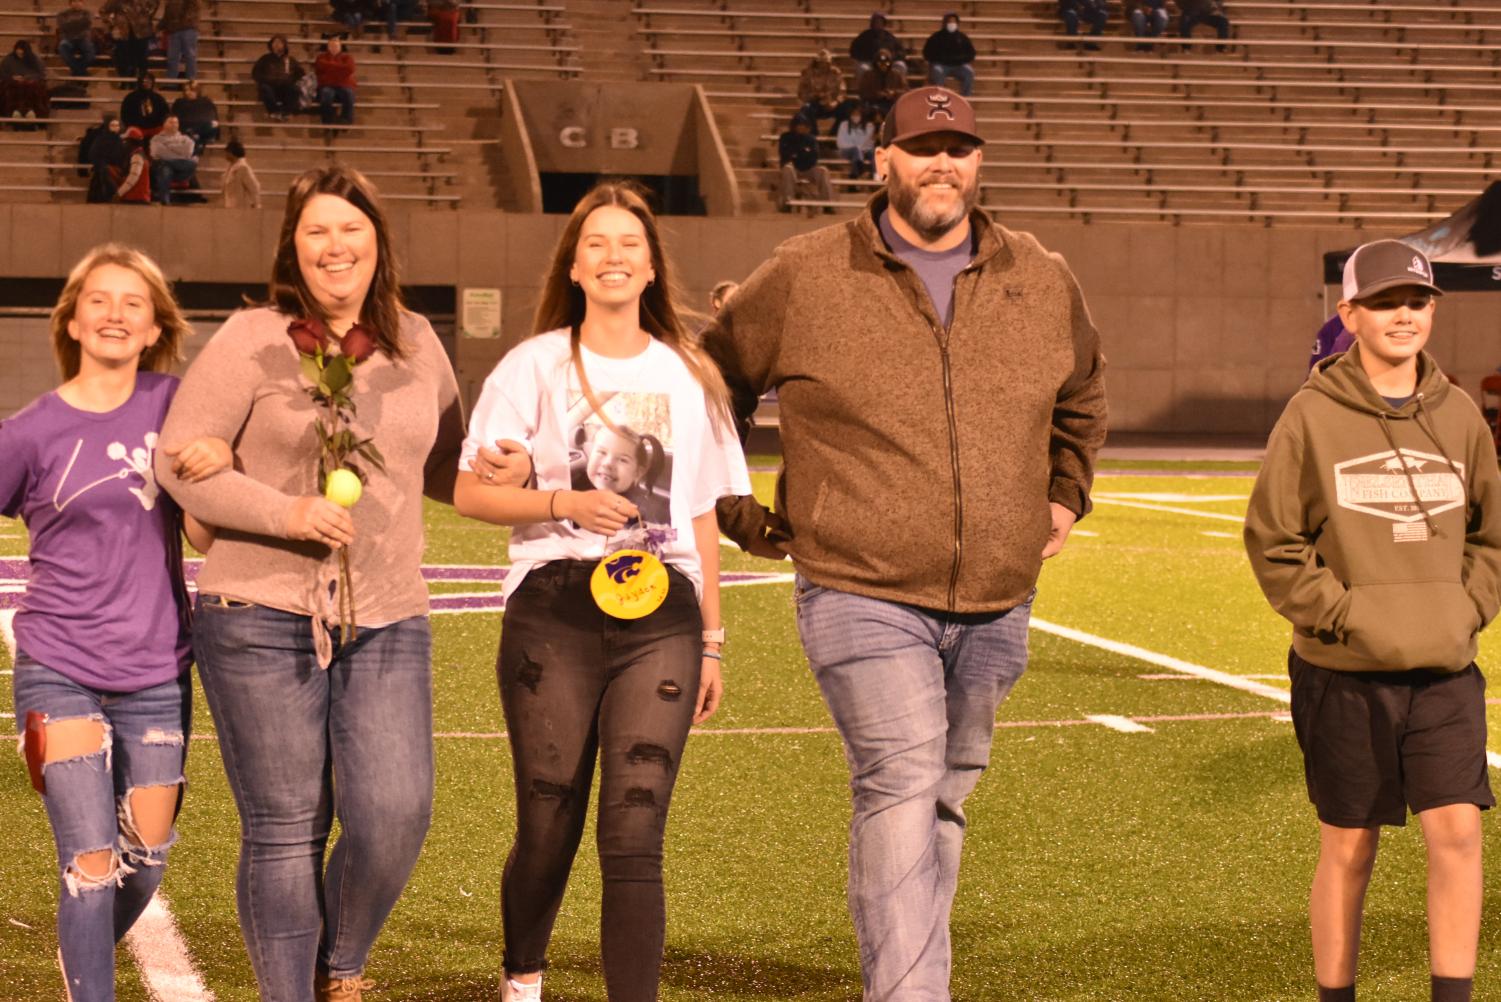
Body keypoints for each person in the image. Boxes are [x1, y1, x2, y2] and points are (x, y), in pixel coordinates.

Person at [703, 86, 1107, 1002]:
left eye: (959, 148)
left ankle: (910, 975)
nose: (942, 164)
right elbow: (708, 382)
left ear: (977, 163)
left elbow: (1084, 392)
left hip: (999, 595)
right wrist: (732, 506)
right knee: (902, 778)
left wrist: (1066, 494)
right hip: (860, 587)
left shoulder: (1038, 274)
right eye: (923, 147)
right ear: (880, 159)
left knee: (944, 796)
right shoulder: (807, 271)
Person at [153, 165, 524, 1002]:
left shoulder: (417, 341)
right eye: (317, 230)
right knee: (286, 828)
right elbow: (178, 464)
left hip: (387, 613)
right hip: (257, 609)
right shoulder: (253, 335)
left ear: (377, 242)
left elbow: (444, 466)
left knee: (395, 816)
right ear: (293, 244)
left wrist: (509, 465)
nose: (335, 246)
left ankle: (340, 964)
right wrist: (285, 513)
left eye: (350, 229)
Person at [454, 179, 750, 1002]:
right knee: (548, 819)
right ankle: (523, 981)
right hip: (553, 608)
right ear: (574, 268)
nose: (613, 257)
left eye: (628, 244)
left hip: (664, 614)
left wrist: (714, 640)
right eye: (596, 244)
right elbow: (474, 491)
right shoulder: (533, 364)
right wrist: (558, 500)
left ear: (652, 267)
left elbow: (697, 515)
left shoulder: (690, 374)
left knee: (634, 831)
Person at [1244, 239, 1501, 1002]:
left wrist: (1466, 608)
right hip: (1344, 673)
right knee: (1349, 847)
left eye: (1416, 301)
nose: (1403, 315)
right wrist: (1346, 616)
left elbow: (1490, 534)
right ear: (1348, 313)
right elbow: (1273, 542)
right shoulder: (1311, 415)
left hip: (1443, 669)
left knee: (1456, 835)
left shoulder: (1459, 416)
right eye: (1384, 302)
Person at [5, 244, 231, 1002]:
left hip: (158, 672)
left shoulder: (177, 406)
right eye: (97, 300)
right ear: (70, 320)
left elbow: (203, 533)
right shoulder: (26, 433)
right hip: (57, 664)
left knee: (149, 855)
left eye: (132, 303)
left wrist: (215, 464)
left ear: (154, 326)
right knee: (90, 859)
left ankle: (83, 949)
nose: (113, 313)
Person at [777, 114, 833, 211]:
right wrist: (803, 152)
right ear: (793, 125)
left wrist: (797, 154)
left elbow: (814, 157)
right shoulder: (785, 137)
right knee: (787, 169)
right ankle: (788, 203)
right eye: (799, 124)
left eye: (803, 125)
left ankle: (827, 204)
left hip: (808, 168)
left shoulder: (811, 139)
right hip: (793, 168)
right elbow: (785, 154)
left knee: (823, 171)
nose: (801, 127)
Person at [796, 48, 853, 136]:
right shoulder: (808, 73)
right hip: (815, 104)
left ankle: (833, 135)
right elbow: (802, 92)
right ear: (817, 62)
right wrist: (814, 96)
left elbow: (842, 91)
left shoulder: (835, 72)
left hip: (831, 103)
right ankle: (814, 136)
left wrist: (836, 102)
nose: (824, 65)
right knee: (806, 109)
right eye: (821, 63)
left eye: (826, 63)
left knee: (848, 108)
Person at [100, 0, 156, 83]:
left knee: (142, 59)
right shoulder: (115, 2)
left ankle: (142, 81)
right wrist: (111, 22)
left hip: (142, 33)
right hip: (123, 34)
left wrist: (147, 17)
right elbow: (103, 11)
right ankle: (125, 80)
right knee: (123, 59)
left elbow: (155, 4)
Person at [252, 34, 305, 120]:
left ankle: (286, 112)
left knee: (295, 89)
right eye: (274, 42)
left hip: (285, 89)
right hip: (270, 88)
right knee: (264, 88)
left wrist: (290, 80)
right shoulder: (265, 59)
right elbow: (256, 73)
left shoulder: (290, 60)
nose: (277, 45)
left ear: (284, 45)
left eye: (279, 42)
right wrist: (267, 80)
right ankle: (274, 111)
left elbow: (300, 74)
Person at [922, 12, 976, 97]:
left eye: (953, 22)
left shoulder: (962, 38)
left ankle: (966, 97)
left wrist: (960, 59)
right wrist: (940, 59)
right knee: (936, 71)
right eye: (949, 22)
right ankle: (940, 96)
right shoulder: (936, 37)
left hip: (959, 65)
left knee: (969, 72)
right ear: (944, 23)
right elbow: (927, 53)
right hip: (941, 65)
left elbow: (971, 54)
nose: (951, 24)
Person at [149, 114, 198, 204]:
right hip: (162, 169)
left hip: (180, 172)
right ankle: (165, 200)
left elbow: (188, 151)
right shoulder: (156, 139)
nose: (174, 125)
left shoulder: (185, 138)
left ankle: (167, 166)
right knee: (165, 170)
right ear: (164, 124)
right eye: (171, 122)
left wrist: (169, 146)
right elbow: (158, 152)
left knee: (192, 163)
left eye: (176, 122)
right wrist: (180, 153)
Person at [0, 40, 50, 122]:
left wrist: (27, 78)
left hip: (31, 84)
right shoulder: (8, 60)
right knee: (9, 89)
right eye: (18, 54)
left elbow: (40, 74)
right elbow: (3, 74)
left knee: (34, 88)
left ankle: (32, 112)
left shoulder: (35, 61)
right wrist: (13, 78)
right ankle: (12, 112)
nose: (20, 56)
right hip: (13, 84)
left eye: (22, 54)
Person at [315, 35, 357, 126]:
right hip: (327, 85)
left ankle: (346, 120)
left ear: (340, 47)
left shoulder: (347, 57)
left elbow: (349, 69)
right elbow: (320, 67)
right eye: (332, 46)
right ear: (328, 47)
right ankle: (327, 121)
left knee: (349, 94)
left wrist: (329, 68)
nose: (334, 48)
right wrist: (340, 70)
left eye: (336, 46)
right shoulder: (321, 57)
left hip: (343, 86)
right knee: (326, 94)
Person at [849, 11, 906, 76]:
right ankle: (865, 86)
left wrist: (892, 57)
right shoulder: (864, 36)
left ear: (884, 24)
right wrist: (866, 57)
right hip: (870, 63)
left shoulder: (889, 36)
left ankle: (897, 85)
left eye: (880, 22)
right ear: (872, 23)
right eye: (876, 22)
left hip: (888, 63)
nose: (878, 24)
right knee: (863, 68)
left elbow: (901, 51)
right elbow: (853, 51)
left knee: (901, 66)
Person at [170, 79, 218, 154]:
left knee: (213, 124)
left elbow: (211, 117)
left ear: (197, 91)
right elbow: (174, 118)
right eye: (185, 90)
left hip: (202, 129)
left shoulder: (206, 102)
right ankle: (196, 139)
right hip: (186, 128)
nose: (187, 92)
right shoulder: (179, 103)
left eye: (190, 90)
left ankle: (196, 136)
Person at [856, 48, 906, 119]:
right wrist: (877, 94)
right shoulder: (868, 75)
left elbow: (905, 91)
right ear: (876, 63)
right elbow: (862, 92)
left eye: (886, 63)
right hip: (873, 103)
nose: (883, 65)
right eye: (880, 63)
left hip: (891, 104)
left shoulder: (896, 75)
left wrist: (894, 93)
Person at [159, 0, 199, 79]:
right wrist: (159, 27)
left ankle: (191, 82)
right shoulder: (169, 2)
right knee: (172, 57)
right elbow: (167, 15)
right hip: (174, 30)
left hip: (187, 28)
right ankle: (171, 82)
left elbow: (192, 10)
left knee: (190, 56)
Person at [55, 0, 96, 77]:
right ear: (70, 3)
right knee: (62, 47)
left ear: (83, 3)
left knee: (90, 53)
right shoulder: (62, 14)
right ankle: (81, 73)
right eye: (75, 1)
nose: (77, 3)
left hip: (83, 38)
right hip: (68, 39)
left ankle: (76, 72)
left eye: (79, 1)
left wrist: (70, 24)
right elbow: (63, 26)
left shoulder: (87, 13)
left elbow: (87, 22)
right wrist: (80, 24)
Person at [836, 102, 876, 178]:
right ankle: (859, 172)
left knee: (873, 153)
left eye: (858, 114)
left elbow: (868, 143)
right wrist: (856, 148)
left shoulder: (869, 126)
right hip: (847, 151)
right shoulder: (844, 125)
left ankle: (874, 176)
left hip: (865, 151)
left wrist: (860, 149)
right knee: (856, 150)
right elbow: (841, 142)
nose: (855, 116)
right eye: (853, 114)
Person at [221, 138, 261, 209]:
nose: (225, 154)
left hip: (241, 208)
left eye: (226, 152)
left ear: (231, 153)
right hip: (230, 207)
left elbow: (254, 187)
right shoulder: (230, 167)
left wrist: (255, 204)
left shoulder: (243, 168)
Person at [114, 126, 150, 203]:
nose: (124, 143)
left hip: (136, 199)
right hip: (136, 198)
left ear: (131, 142)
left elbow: (133, 177)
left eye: (125, 141)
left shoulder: (137, 156)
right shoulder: (138, 154)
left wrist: (119, 193)